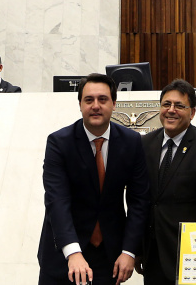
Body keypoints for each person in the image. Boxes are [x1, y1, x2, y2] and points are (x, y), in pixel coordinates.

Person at [37, 73, 149, 285]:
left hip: (109, 257)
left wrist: (129, 251)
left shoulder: (132, 142)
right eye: (89, 100)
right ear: (80, 104)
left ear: (114, 104)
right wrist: (72, 252)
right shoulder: (59, 143)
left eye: (103, 99)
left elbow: (139, 201)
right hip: (63, 255)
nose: (95, 105)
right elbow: (57, 200)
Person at [140, 79, 196, 285]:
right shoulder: (145, 144)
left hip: (192, 257)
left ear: (193, 112)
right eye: (166, 104)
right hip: (153, 256)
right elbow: (141, 199)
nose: (171, 110)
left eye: (179, 106)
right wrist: (137, 250)